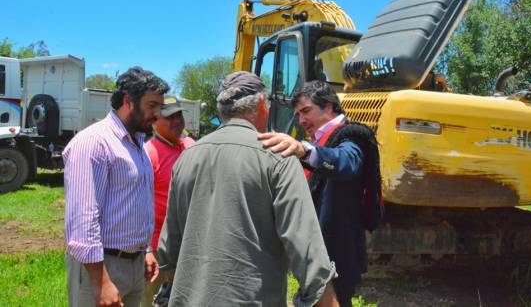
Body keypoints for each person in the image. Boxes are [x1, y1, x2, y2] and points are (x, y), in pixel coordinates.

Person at [158, 71, 339, 307]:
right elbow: (306, 249)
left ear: (222, 110)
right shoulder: (279, 157)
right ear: (262, 104)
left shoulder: (187, 158)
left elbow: (170, 246)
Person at [259, 80, 382, 307]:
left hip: (337, 252)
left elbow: (345, 163)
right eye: (297, 114)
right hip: (318, 251)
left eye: (306, 111)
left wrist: (302, 150)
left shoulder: (351, 136)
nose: (301, 120)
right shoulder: (318, 142)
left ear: (328, 106)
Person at [64, 67, 170, 307]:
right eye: (152, 105)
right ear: (127, 101)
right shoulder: (94, 143)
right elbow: (82, 220)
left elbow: (135, 204)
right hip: (102, 267)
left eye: (159, 106)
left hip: (134, 266)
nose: (157, 114)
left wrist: (145, 250)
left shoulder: (137, 144)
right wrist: (101, 282)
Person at [141, 96, 195, 307]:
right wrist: (146, 250)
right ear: (154, 122)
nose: (177, 121)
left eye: (179, 115)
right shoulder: (149, 153)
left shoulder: (191, 145)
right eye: (170, 117)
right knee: (146, 300)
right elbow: (141, 203)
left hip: (187, 244)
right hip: (156, 248)